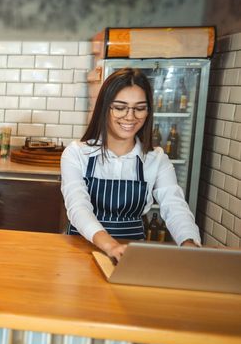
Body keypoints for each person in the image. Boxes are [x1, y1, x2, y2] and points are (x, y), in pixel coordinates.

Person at [61, 67, 200, 262]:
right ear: (104, 108)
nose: (130, 116)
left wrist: (189, 243)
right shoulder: (77, 153)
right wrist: (110, 245)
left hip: (131, 253)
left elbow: (174, 205)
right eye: (120, 107)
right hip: (80, 249)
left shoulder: (156, 159)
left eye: (139, 108)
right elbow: (78, 206)